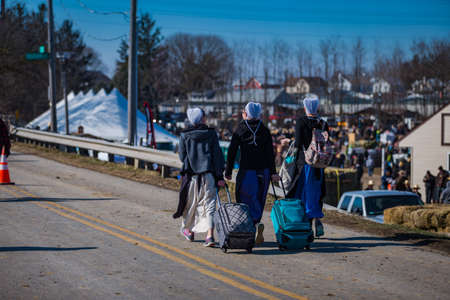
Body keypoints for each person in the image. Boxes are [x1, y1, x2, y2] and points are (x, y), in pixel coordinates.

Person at [225, 102, 279, 245]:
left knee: (244, 198)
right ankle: (256, 223)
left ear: (246, 113)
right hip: (264, 172)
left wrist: (228, 171)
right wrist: (273, 172)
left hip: (247, 170)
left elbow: (232, 151)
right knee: (259, 199)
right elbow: (270, 154)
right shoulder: (265, 130)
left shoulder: (240, 129)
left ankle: (250, 228)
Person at [173, 108, 225, 247]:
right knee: (209, 206)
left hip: (191, 177)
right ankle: (209, 236)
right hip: (208, 175)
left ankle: (189, 231)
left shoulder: (185, 135)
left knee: (190, 205)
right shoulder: (211, 133)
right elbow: (217, 156)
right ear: (202, 118)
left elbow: (182, 157)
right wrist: (220, 176)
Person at [287, 95, 328, 238]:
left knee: (303, 193)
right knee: (316, 192)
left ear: (306, 107)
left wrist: (290, 145)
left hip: (305, 163)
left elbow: (298, 143)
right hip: (319, 164)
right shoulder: (322, 123)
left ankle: (307, 225)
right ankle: (316, 219)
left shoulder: (301, 121)